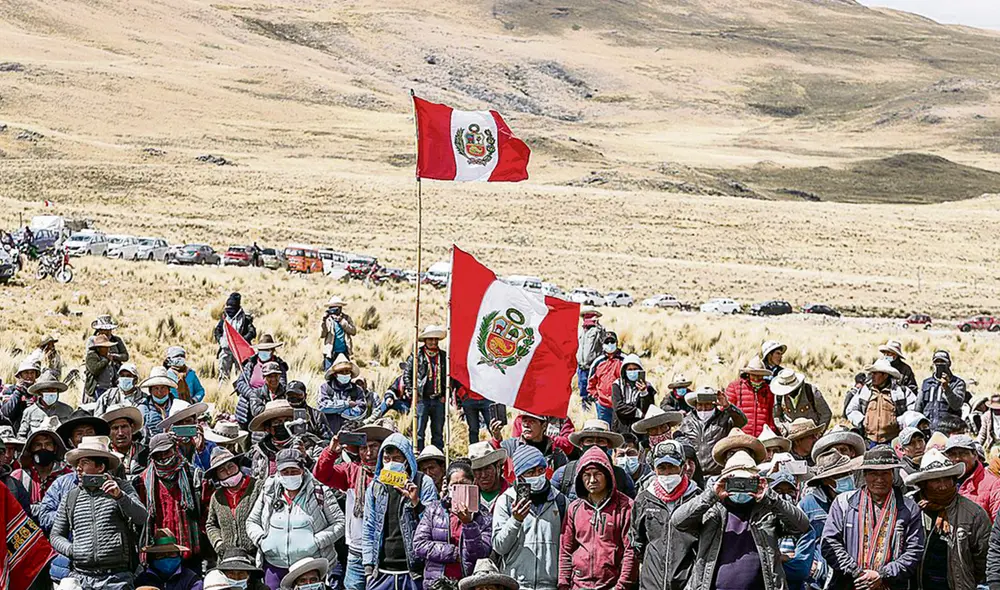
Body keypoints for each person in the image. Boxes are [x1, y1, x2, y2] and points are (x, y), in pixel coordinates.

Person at [672, 450, 810, 589]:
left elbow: (802, 526)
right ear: (725, 480)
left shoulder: (766, 509)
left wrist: (771, 498)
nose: (741, 487)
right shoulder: (711, 509)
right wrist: (712, 494)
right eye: (736, 482)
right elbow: (678, 521)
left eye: (747, 482)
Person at [820, 445, 924, 590]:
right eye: (873, 473)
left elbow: (914, 551)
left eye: (885, 473)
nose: (879, 479)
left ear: (893, 475)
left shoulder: (909, 507)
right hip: (850, 584)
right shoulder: (844, 503)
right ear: (864, 475)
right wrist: (857, 572)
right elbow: (829, 543)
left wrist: (882, 575)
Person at [50, 436, 147, 590]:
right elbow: (56, 535)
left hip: (117, 578)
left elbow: (141, 517)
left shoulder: (122, 487)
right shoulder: (71, 496)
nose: (78, 469)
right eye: (77, 464)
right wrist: (72, 549)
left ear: (101, 467)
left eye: (84, 463)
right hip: (81, 578)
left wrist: (120, 496)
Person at [312, 422, 394, 590]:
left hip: (385, 551)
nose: (369, 453)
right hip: (357, 551)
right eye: (364, 448)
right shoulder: (351, 471)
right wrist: (331, 452)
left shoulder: (393, 474)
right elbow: (321, 474)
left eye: (374, 447)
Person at [247, 448, 345, 589]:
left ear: (303, 470)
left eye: (294, 471)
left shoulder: (319, 490)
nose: (289, 475)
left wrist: (317, 541)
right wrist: (261, 540)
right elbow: (251, 521)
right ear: (278, 474)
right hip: (275, 565)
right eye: (285, 472)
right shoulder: (268, 490)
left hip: (309, 568)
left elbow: (339, 523)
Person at [361, 433, 439, 590]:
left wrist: (416, 502)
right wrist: (369, 569)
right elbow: (369, 526)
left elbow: (434, 525)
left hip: (414, 573)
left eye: (397, 459)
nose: (391, 463)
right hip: (381, 572)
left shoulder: (424, 483)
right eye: (387, 459)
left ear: (407, 460)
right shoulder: (375, 487)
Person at [903, 448, 990, 589]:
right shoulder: (908, 507)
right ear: (924, 483)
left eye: (947, 479)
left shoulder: (973, 513)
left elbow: (983, 560)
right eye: (936, 480)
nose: (943, 486)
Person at [558, 445, 636, 590]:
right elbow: (566, 550)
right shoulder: (574, 508)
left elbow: (630, 551)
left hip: (612, 585)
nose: (592, 480)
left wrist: (621, 586)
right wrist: (564, 585)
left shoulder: (625, 507)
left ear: (608, 475)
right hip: (579, 585)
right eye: (587, 475)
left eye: (597, 474)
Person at [492, 444, 565, 590]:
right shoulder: (505, 501)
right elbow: (499, 547)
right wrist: (515, 520)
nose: (537, 476)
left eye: (540, 470)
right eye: (530, 472)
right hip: (516, 585)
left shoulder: (560, 501)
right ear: (520, 476)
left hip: (551, 586)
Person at [628, 440, 698, 590]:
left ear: (683, 466)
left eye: (672, 467)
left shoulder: (696, 498)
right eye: (662, 467)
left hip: (687, 583)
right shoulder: (644, 499)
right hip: (651, 582)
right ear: (654, 468)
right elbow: (636, 540)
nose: (667, 473)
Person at [413, 462, 493, 585]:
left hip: (468, 583)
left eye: (464, 484)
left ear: (473, 484)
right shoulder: (434, 510)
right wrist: (453, 553)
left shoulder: (483, 516)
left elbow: (481, 554)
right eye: (454, 486)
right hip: (437, 583)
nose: (459, 489)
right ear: (448, 487)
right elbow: (419, 545)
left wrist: (469, 524)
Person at [135, 434, 204, 570]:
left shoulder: (192, 475)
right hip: (157, 553)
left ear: (175, 449)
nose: (163, 458)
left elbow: (204, 510)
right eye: (158, 455)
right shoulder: (142, 481)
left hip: (189, 550)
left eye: (167, 452)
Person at [673, 386, 749, 475]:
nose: (704, 409)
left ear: (714, 405)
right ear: (695, 405)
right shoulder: (687, 421)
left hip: (718, 473)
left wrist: (727, 406)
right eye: (700, 405)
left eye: (708, 404)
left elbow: (742, 421)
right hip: (694, 474)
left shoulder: (724, 418)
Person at [552, 420, 635, 500]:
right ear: (581, 444)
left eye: (600, 441)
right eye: (589, 441)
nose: (594, 445)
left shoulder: (621, 476)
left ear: (608, 445)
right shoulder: (563, 474)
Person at [205, 446, 261, 557]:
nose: (228, 471)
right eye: (222, 470)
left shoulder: (258, 487)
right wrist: (218, 543)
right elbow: (211, 524)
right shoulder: (217, 497)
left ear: (237, 466)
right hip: (228, 557)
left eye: (230, 466)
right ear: (217, 476)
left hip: (256, 554)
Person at [13, 417, 70, 520]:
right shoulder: (18, 477)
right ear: (30, 449)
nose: (43, 448)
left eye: (48, 444)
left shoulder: (67, 476)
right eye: (38, 445)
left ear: (55, 448)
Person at [846, 358, 914, 446]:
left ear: (885, 375)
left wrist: (898, 422)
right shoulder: (865, 391)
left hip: (893, 441)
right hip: (869, 441)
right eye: (871, 373)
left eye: (875, 373)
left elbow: (913, 411)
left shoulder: (900, 391)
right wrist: (861, 421)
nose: (872, 376)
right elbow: (851, 409)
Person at [404, 325, 449, 451]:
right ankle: (418, 457)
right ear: (425, 340)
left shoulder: (444, 356)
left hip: (439, 399)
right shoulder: (416, 356)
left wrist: (446, 394)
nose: (433, 342)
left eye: (436, 339)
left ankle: (437, 457)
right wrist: (412, 393)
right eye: (430, 339)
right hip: (422, 399)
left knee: (438, 433)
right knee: (419, 432)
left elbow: (449, 376)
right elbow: (407, 375)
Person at [799, 450, 859, 540]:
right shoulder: (807, 505)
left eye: (849, 473)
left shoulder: (858, 499)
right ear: (826, 480)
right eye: (841, 475)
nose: (848, 477)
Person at [490, 411, 568, 473]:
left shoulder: (555, 452)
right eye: (524, 421)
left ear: (544, 426)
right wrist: (496, 438)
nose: (526, 425)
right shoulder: (512, 446)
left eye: (532, 421)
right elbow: (494, 457)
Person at [945, 435, 1000, 520]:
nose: (958, 458)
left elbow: (997, 525)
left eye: (963, 453)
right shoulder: (943, 482)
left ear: (974, 454)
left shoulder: (993, 484)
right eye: (952, 454)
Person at [134, 528, 204, 590]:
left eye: (171, 554)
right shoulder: (143, 579)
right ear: (153, 558)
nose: (166, 557)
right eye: (161, 555)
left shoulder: (191, 579)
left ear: (178, 555)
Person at [918, 350, 968, 436]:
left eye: (942, 362)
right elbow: (918, 407)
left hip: (948, 430)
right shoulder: (926, 383)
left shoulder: (957, 383)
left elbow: (956, 405)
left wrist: (946, 388)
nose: (939, 364)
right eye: (937, 361)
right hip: (928, 430)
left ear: (949, 364)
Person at [725, 356, 776, 437]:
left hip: (762, 437)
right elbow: (726, 411)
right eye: (753, 375)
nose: (756, 378)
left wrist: (771, 431)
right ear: (748, 374)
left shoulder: (769, 391)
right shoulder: (735, 387)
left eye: (759, 375)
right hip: (740, 436)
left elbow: (771, 416)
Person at [770, 369, 832, 434]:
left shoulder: (811, 391)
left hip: (811, 435)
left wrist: (819, 432)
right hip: (791, 436)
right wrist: (784, 430)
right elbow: (777, 416)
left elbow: (826, 414)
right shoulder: (779, 396)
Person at [318, 355, 368, 437]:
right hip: (328, 434)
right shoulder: (325, 387)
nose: (345, 374)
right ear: (335, 374)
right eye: (341, 371)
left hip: (351, 434)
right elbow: (322, 406)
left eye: (347, 371)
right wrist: (346, 404)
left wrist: (338, 411)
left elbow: (361, 411)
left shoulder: (357, 390)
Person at [84, 315, 130, 403]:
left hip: (114, 375)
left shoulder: (117, 340)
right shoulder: (92, 340)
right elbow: (92, 360)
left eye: (109, 330)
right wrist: (105, 359)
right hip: (98, 380)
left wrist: (114, 356)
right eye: (104, 330)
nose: (107, 332)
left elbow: (125, 356)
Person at [160, 400, 215, 472]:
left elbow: (211, 471)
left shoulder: (210, 446)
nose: (184, 425)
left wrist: (201, 450)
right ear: (172, 427)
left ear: (195, 422)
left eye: (188, 421)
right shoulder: (168, 450)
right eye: (179, 423)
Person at [214, 292, 257, 383]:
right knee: (223, 376)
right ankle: (223, 393)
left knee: (241, 375)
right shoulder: (225, 317)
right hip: (225, 350)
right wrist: (221, 340)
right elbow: (217, 330)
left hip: (239, 352)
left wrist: (242, 341)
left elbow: (252, 332)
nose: (230, 310)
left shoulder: (245, 319)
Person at [610, 354, 656, 436]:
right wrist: (637, 412)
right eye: (630, 369)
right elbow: (618, 407)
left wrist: (643, 392)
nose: (632, 372)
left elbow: (648, 410)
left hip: (639, 429)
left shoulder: (648, 387)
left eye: (635, 369)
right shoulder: (617, 385)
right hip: (620, 427)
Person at [17, 371, 73, 438]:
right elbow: (21, 436)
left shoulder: (67, 410)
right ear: (40, 392)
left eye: (54, 390)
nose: (51, 392)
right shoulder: (29, 412)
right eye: (47, 390)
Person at [587, 331, 624, 426]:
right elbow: (591, 382)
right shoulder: (598, 362)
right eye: (607, 342)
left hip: (620, 405)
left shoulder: (624, 360)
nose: (610, 344)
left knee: (619, 432)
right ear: (602, 344)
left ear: (617, 343)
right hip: (602, 406)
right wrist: (596, 398)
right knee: (604, 431)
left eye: (612, 341)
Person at [101, 404, 148, 478]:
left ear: (132, 428)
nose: (120, 433)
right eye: (115, 428)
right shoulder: (103, 457)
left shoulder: (146, 453)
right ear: (108, 432)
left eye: (124, 427)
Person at [235, 335, 288, 400]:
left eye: (266, 350)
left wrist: (263, 396)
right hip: (248, 402)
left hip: (270, 402)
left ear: (272, 351)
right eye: (261, 350)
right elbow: (240, 383)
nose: (263, 352)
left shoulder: (279, 366)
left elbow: (282, 385)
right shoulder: (251, 363)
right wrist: (252, 395)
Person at [576, 306, 606, 410]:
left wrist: (599, 328)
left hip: (592, 366)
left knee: (592, 389)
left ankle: (594, 409)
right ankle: (585, 410)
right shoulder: (581, 331)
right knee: (583, 389)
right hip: (581, 366)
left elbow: (603, 341)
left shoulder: (597, 331)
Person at [137, 366, 180, 437]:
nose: (160, 392)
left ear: (169, 390)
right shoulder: (142, 409)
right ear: (150, 391)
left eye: (163, 388)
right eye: (156, 388)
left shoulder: (177, 406)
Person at [0, 358, 41, 431]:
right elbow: (6, 413)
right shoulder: (10, 391)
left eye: (32, 373)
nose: (29, 376)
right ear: (20, 376)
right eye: (26, 373)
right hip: (15, 432)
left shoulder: (40, 392)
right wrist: (18, 392)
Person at [467, 442, 509, 512]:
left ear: (497, 467)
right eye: (478, 470)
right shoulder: (468, 497)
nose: (483, 475)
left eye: (488, 468)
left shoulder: (510, 495)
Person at [321, 296, 357, 367]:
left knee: (344, 373)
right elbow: (322, 335)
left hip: (344, 352)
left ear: (340, 308)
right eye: (331, 308)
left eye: (336, 308)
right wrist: (323, 322)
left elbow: (353, 331)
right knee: (329, 374)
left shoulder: (346, 318)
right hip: (330, 352)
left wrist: (342, 321)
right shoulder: (327, 320)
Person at [84, 334, 121, 402]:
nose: (108, 349)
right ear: (98, 348)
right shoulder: (91, 356)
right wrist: (106, 360)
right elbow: (95, 370)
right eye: (105, 347)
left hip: (108, 389)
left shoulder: (107, 357)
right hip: (97, 390)